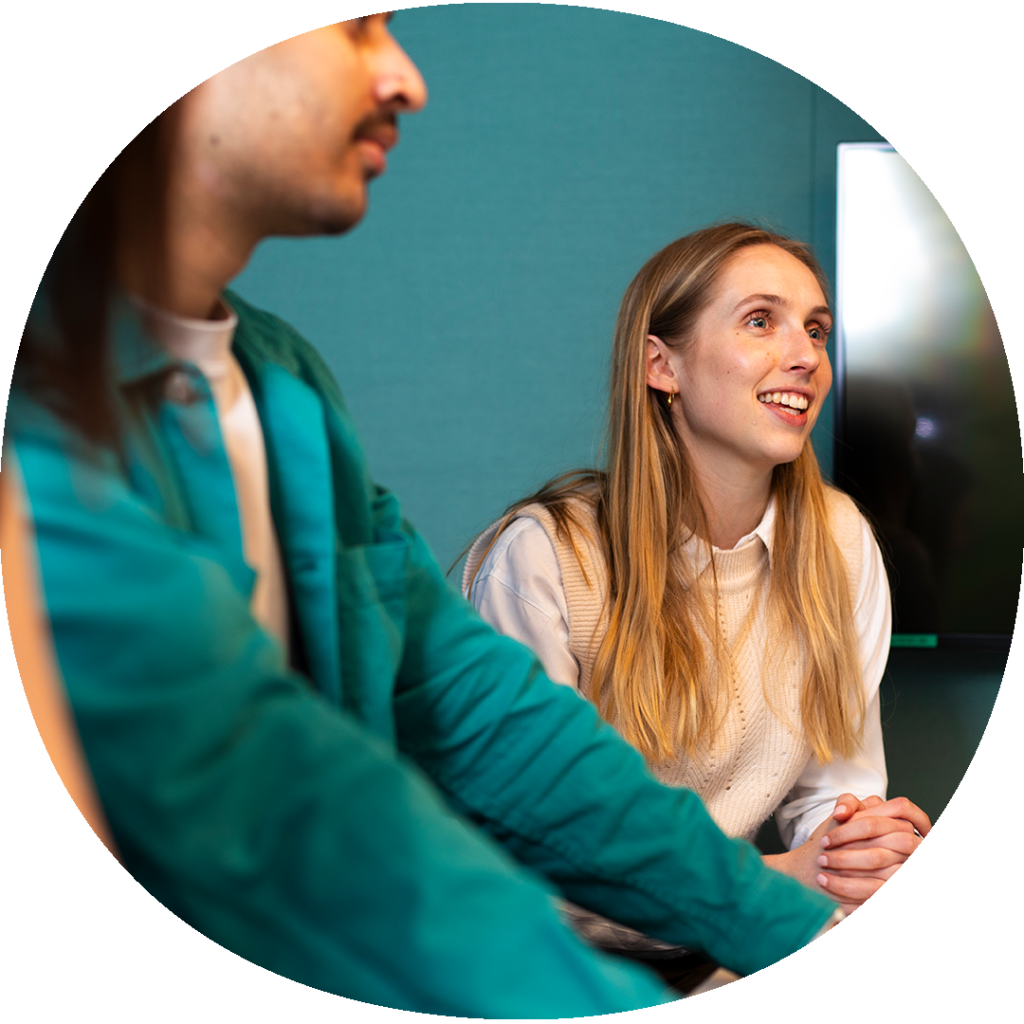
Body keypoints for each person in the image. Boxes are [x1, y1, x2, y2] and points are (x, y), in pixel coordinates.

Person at [6, 19, 841, 1016]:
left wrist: (785, 923)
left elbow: (487, 718)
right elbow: (288, 805)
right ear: (657, 365)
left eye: (814, 330)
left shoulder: (284, 384)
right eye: (358, 30)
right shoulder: (40, 406)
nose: (406, 78)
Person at [463, 223, 932, 975]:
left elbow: (830, 796)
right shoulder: (545, 560)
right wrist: (780, 877)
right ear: (662, 366)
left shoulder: (843, 544)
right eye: (760, 321)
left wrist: (859, 844)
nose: (807, 356)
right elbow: (529, 862)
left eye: (817, 330)